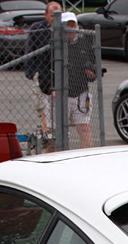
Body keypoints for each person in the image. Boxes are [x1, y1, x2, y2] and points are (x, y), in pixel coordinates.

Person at [54, 12, 96, 148]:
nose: (70, 29)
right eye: (67, 26)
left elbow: (93, 66)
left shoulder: (84, 42)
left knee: (84, 128)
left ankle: (88, 159)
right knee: (57, 132)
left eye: (73, 25)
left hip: (81, 93)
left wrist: (92, 73)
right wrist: (52, 89)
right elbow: (46, 70)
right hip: (60, 94)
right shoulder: (54, 44)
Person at [24, 1, 62, 149]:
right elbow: (29, 51)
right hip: (41, 76)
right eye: (53, 16)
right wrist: (32, 73)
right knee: (44, 111)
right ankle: (50, 146)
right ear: (46, 15)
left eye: (59, 15)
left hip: (60, 76)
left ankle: (58, 142)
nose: (55, 19)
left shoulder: (67, 28)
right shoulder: (37, 29)